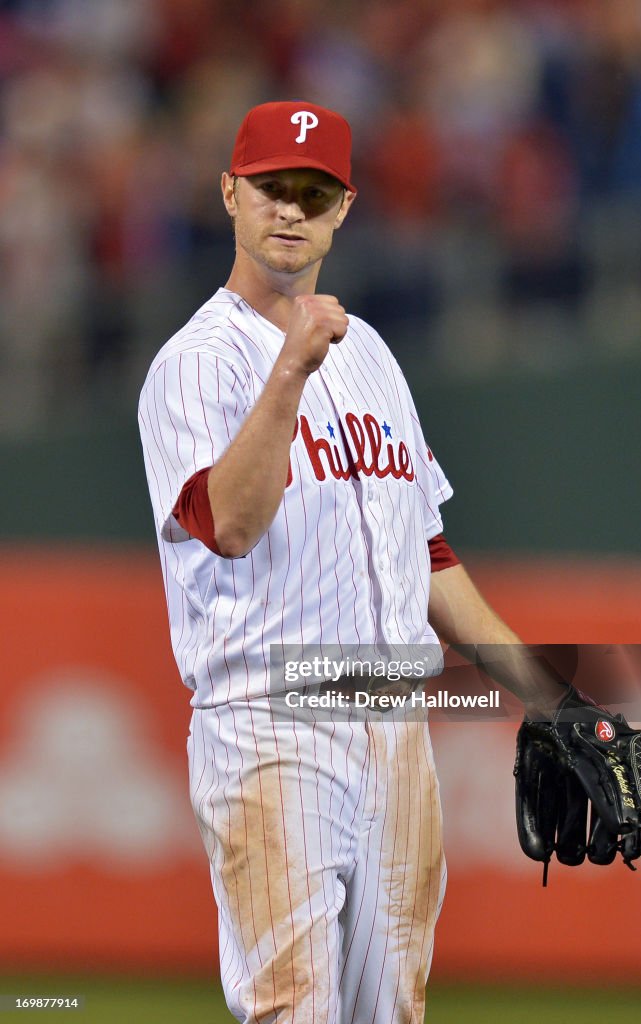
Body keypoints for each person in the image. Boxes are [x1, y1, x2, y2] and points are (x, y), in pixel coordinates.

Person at [138, 100, 565, 1024]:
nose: (289, 211)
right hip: (271, 724)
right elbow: (231, 523)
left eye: (312, 193)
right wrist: (289, 369)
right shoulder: (195, 364)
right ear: (229, 194)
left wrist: (551, 697)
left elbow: (429, 552)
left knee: (395, 1011)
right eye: (270, 189)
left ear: (343, 210)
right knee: (293, 1006)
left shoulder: (369, 353)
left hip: (395, 723)